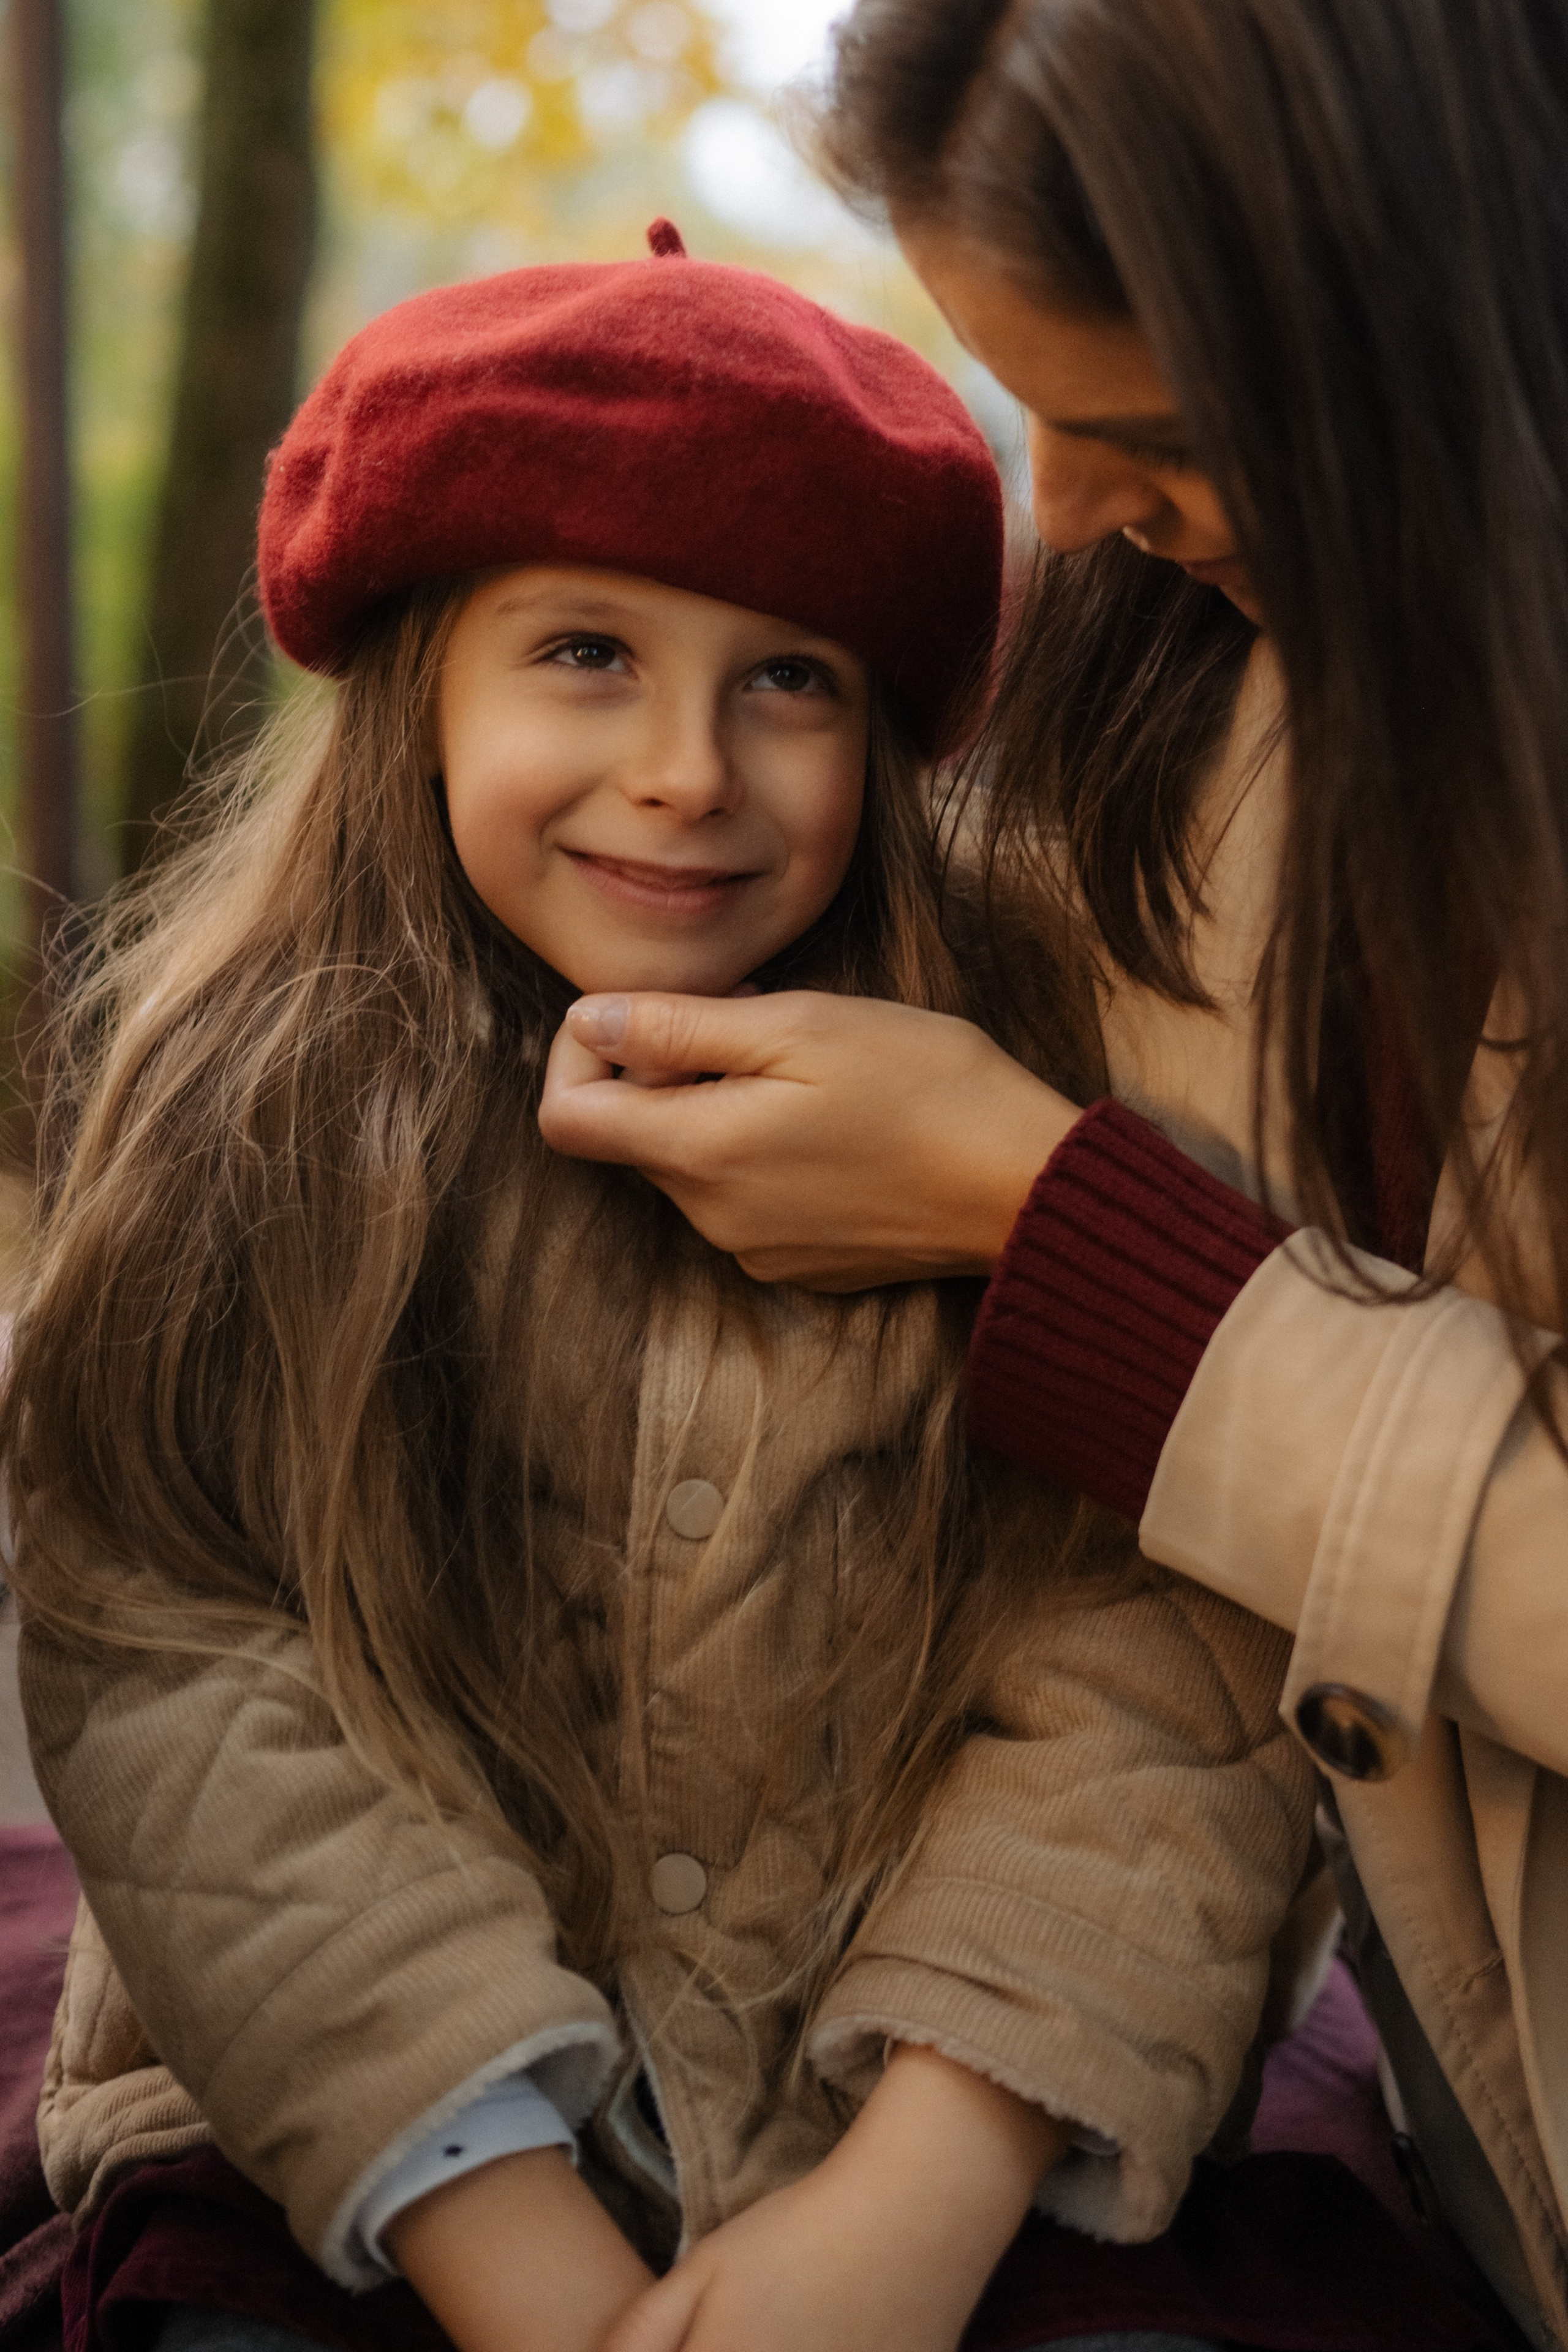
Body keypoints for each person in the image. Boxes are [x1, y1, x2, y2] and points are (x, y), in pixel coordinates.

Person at [1, 228, 1340, 2352]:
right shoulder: (246, 1104)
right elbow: (164, 1648)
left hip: (926, 2116)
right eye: (587, 655)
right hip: (343, 2142)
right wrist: (495, 2225)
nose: (692, 769)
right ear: (420, 672)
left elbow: (1163, 1666)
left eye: (787, 677)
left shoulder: (1038, 1078)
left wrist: (926, 2182)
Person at [530, 10, 1568, 2352]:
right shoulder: (1170, 700)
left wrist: (1072, 1246)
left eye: (1164, 437)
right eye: (1032, 414)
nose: (1070, 515)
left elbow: (1145, 1650)